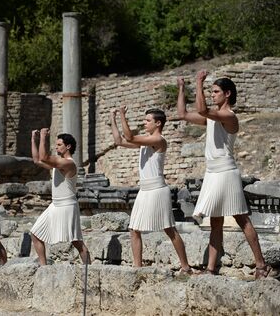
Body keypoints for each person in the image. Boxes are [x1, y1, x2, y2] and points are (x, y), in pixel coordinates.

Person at [177, 70, 270, 279]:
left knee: (241, 219)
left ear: (227, 94)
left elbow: (201, 108)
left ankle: (261, 265)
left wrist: (199, 82)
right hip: (212, 173)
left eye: (216, 91)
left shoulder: (228, 116)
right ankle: (211, 269)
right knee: (215, 222)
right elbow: (183, 114)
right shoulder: (212, 118)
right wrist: (182, 88)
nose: (212, 95)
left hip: (226, 172)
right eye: (211, 92)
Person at [110, 106, 195, 274]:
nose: (144, 123)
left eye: (148, 120)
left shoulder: (159, 140)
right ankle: (137, 267)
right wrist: (113, 118)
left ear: (158, 123)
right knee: (134, 229)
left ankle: (186, 267)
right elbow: (119, 141)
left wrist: (122, 115)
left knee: (169, 229)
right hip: (144, 190)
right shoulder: (145, 141)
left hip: (157, 189)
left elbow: (129, 136)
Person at [29, 128, 90, 265]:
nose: (56, 147)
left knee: (76, 242)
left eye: (59, 145)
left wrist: (44, 137)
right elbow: (37, 160)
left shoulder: (68, 163)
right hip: (55, 205)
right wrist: (34, 139)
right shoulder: (58, 163)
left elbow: (44, 157)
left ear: (68, 146)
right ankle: (44, 268)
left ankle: (88, 270)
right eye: (55, 145)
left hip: (67, 205)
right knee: (35, 234)